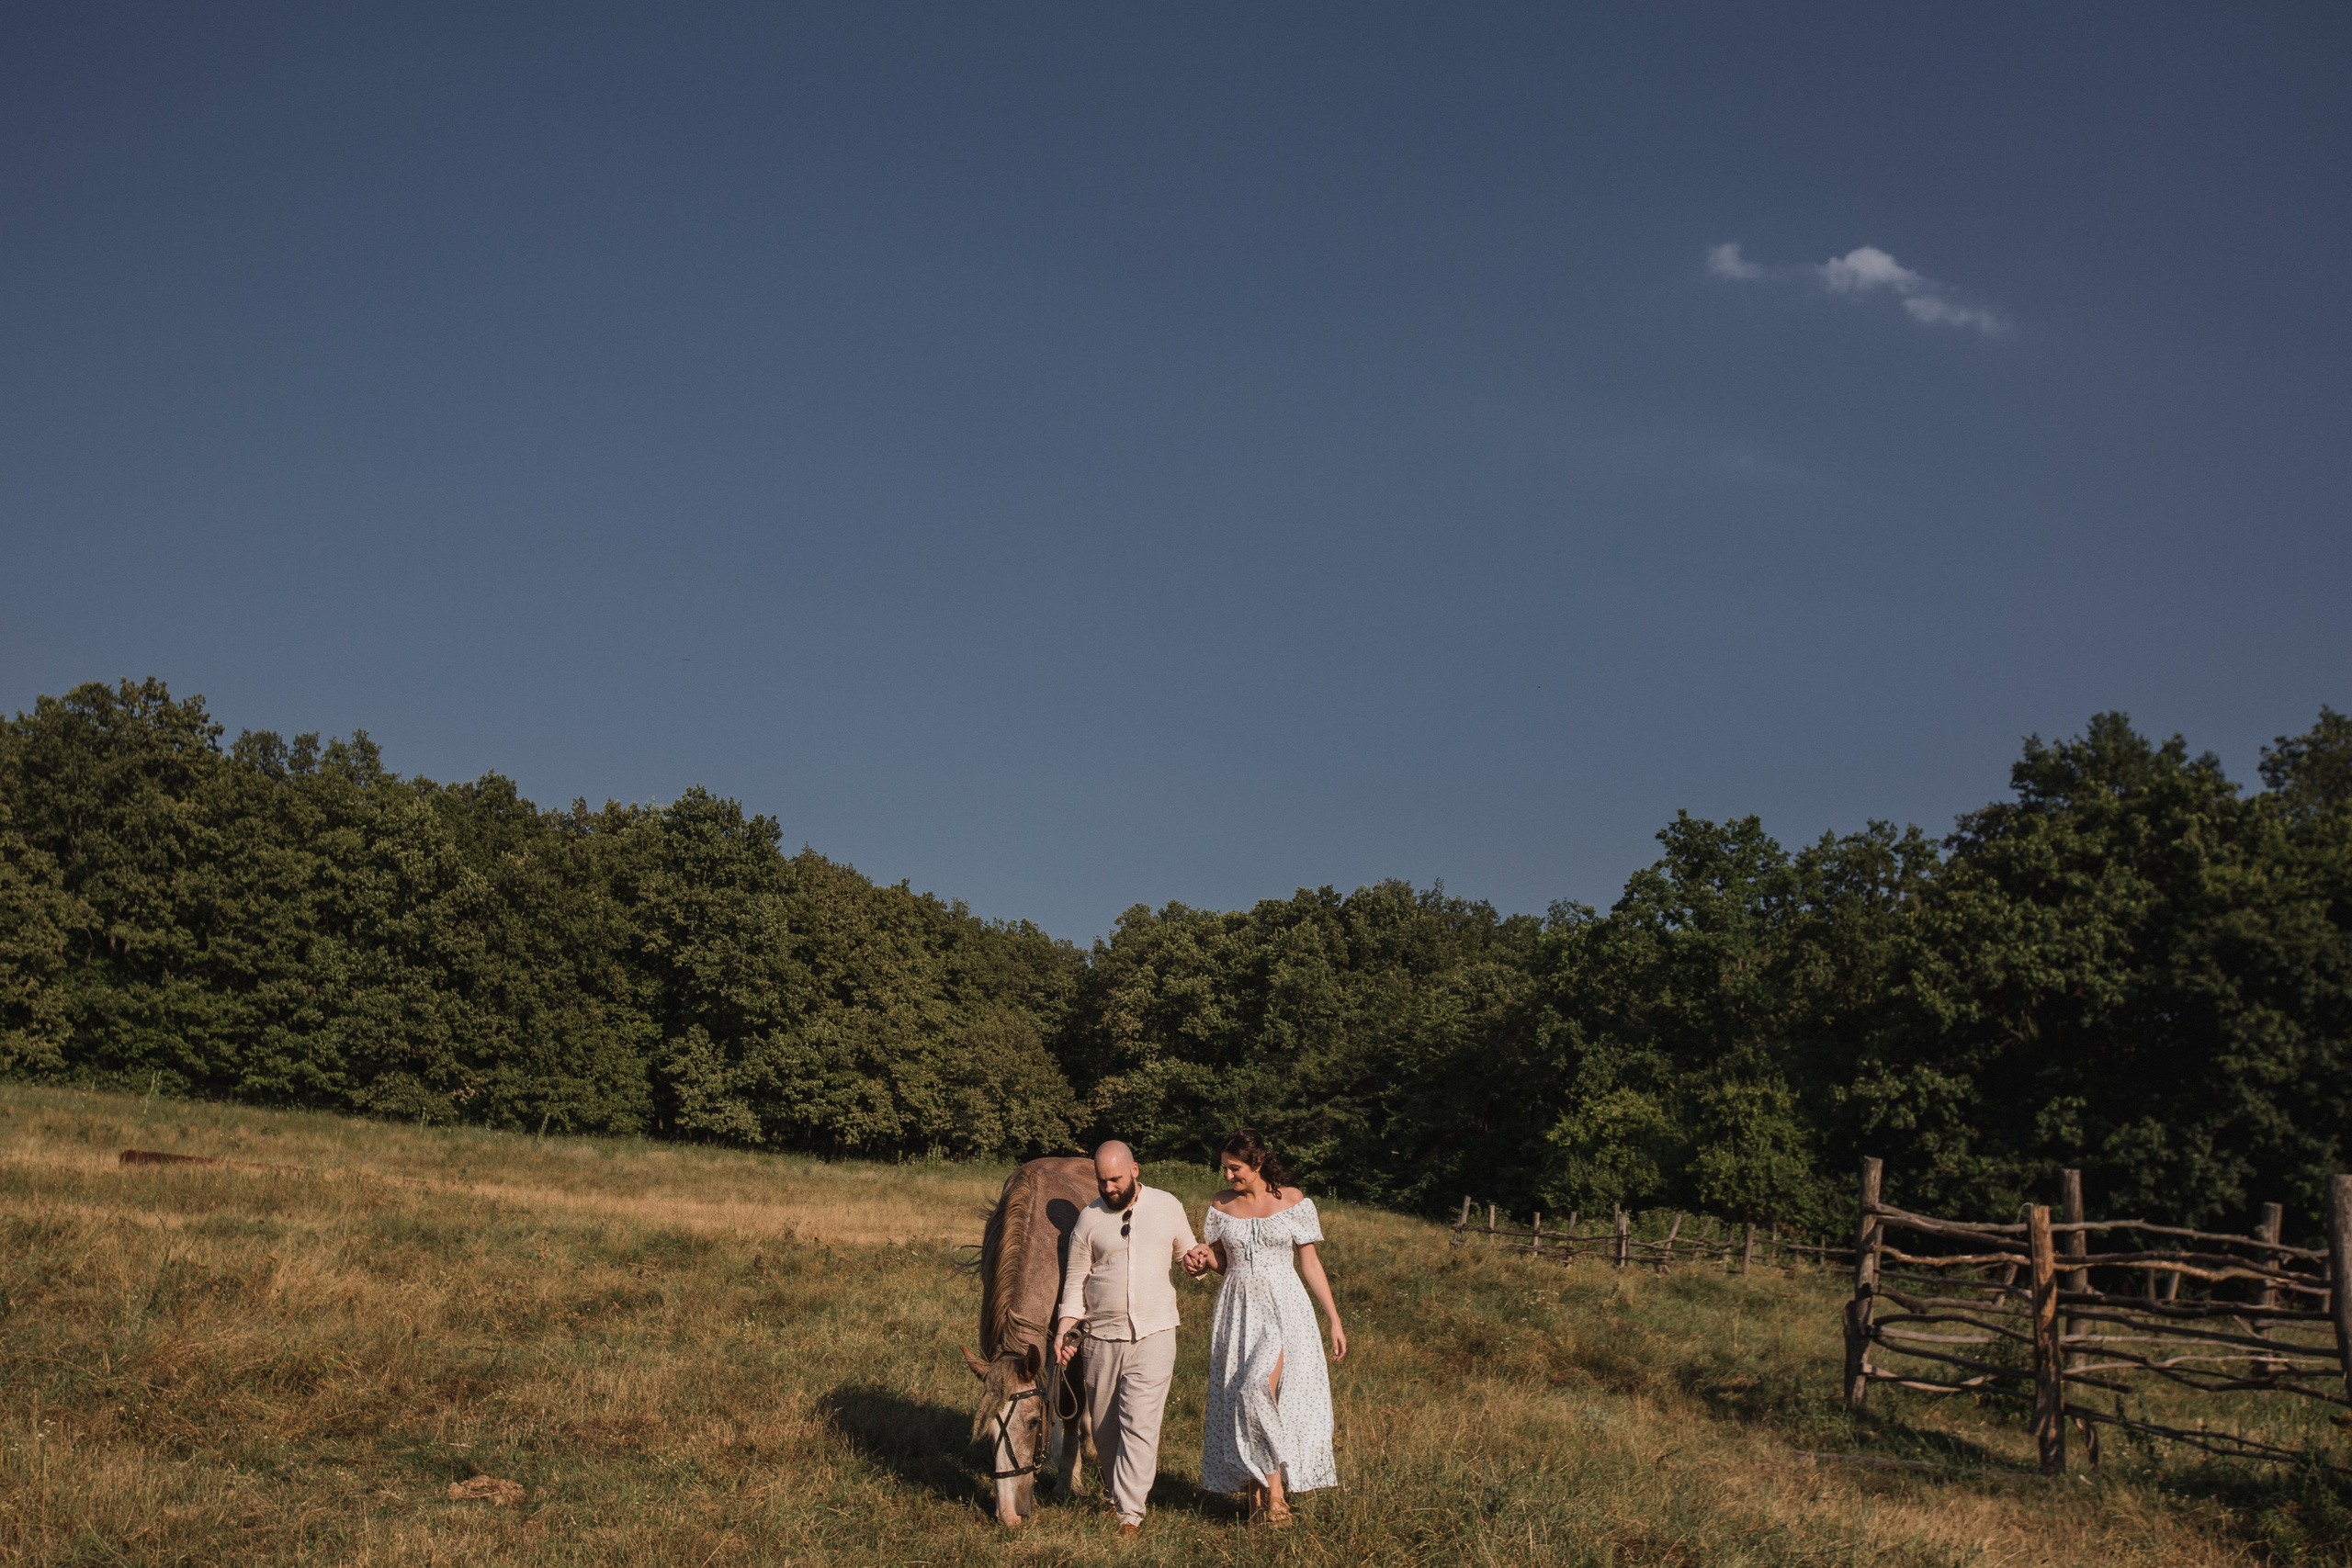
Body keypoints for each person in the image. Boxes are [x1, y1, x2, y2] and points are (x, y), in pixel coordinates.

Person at [1186, 1127, 1347, 1524]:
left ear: (1257, 1163)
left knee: (1257, 1389)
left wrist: (1334, 1318)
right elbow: (1222, 1263)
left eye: (1234, 1168)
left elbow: (1309, 1263)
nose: (1227, 1176)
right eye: (1224, 1168)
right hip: (1238, 1310)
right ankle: (1260, 1500)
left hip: (1285, 1308)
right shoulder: (1221, 1206)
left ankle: (1275, 1495)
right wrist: (1203, 1259)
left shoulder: (1292, 1201)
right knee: (1244, 1398)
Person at [1052, 1140, 1210, 1538]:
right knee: (1105, 1429)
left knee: (1139, 1424)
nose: (1109, 1188)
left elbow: (1188, 1255)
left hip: (1155, 1333)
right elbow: (1074, 1285)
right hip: (1101, 1338)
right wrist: (1063, 1330)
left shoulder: (1167, 1206)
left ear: (1135, 1170)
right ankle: (1112, 1495)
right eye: (1102, 1181)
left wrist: (1197, 1263)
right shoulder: (1088, 1220)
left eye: (1116, 1179)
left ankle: (1130, 1515)